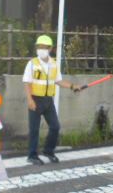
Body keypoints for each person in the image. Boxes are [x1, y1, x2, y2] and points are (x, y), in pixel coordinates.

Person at [22, 35, 82, 166]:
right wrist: (30, 99)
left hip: (48, 100)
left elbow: (58, 81)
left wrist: (72, 86)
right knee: (34, 129)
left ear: (50, 49)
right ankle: (32, 156)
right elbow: (27, 82)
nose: (41, 49)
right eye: (39, 47)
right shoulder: (32, 63)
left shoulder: (54, 64)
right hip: (35, 99)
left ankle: (48, 151)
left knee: (55, 126)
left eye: (44, 47)